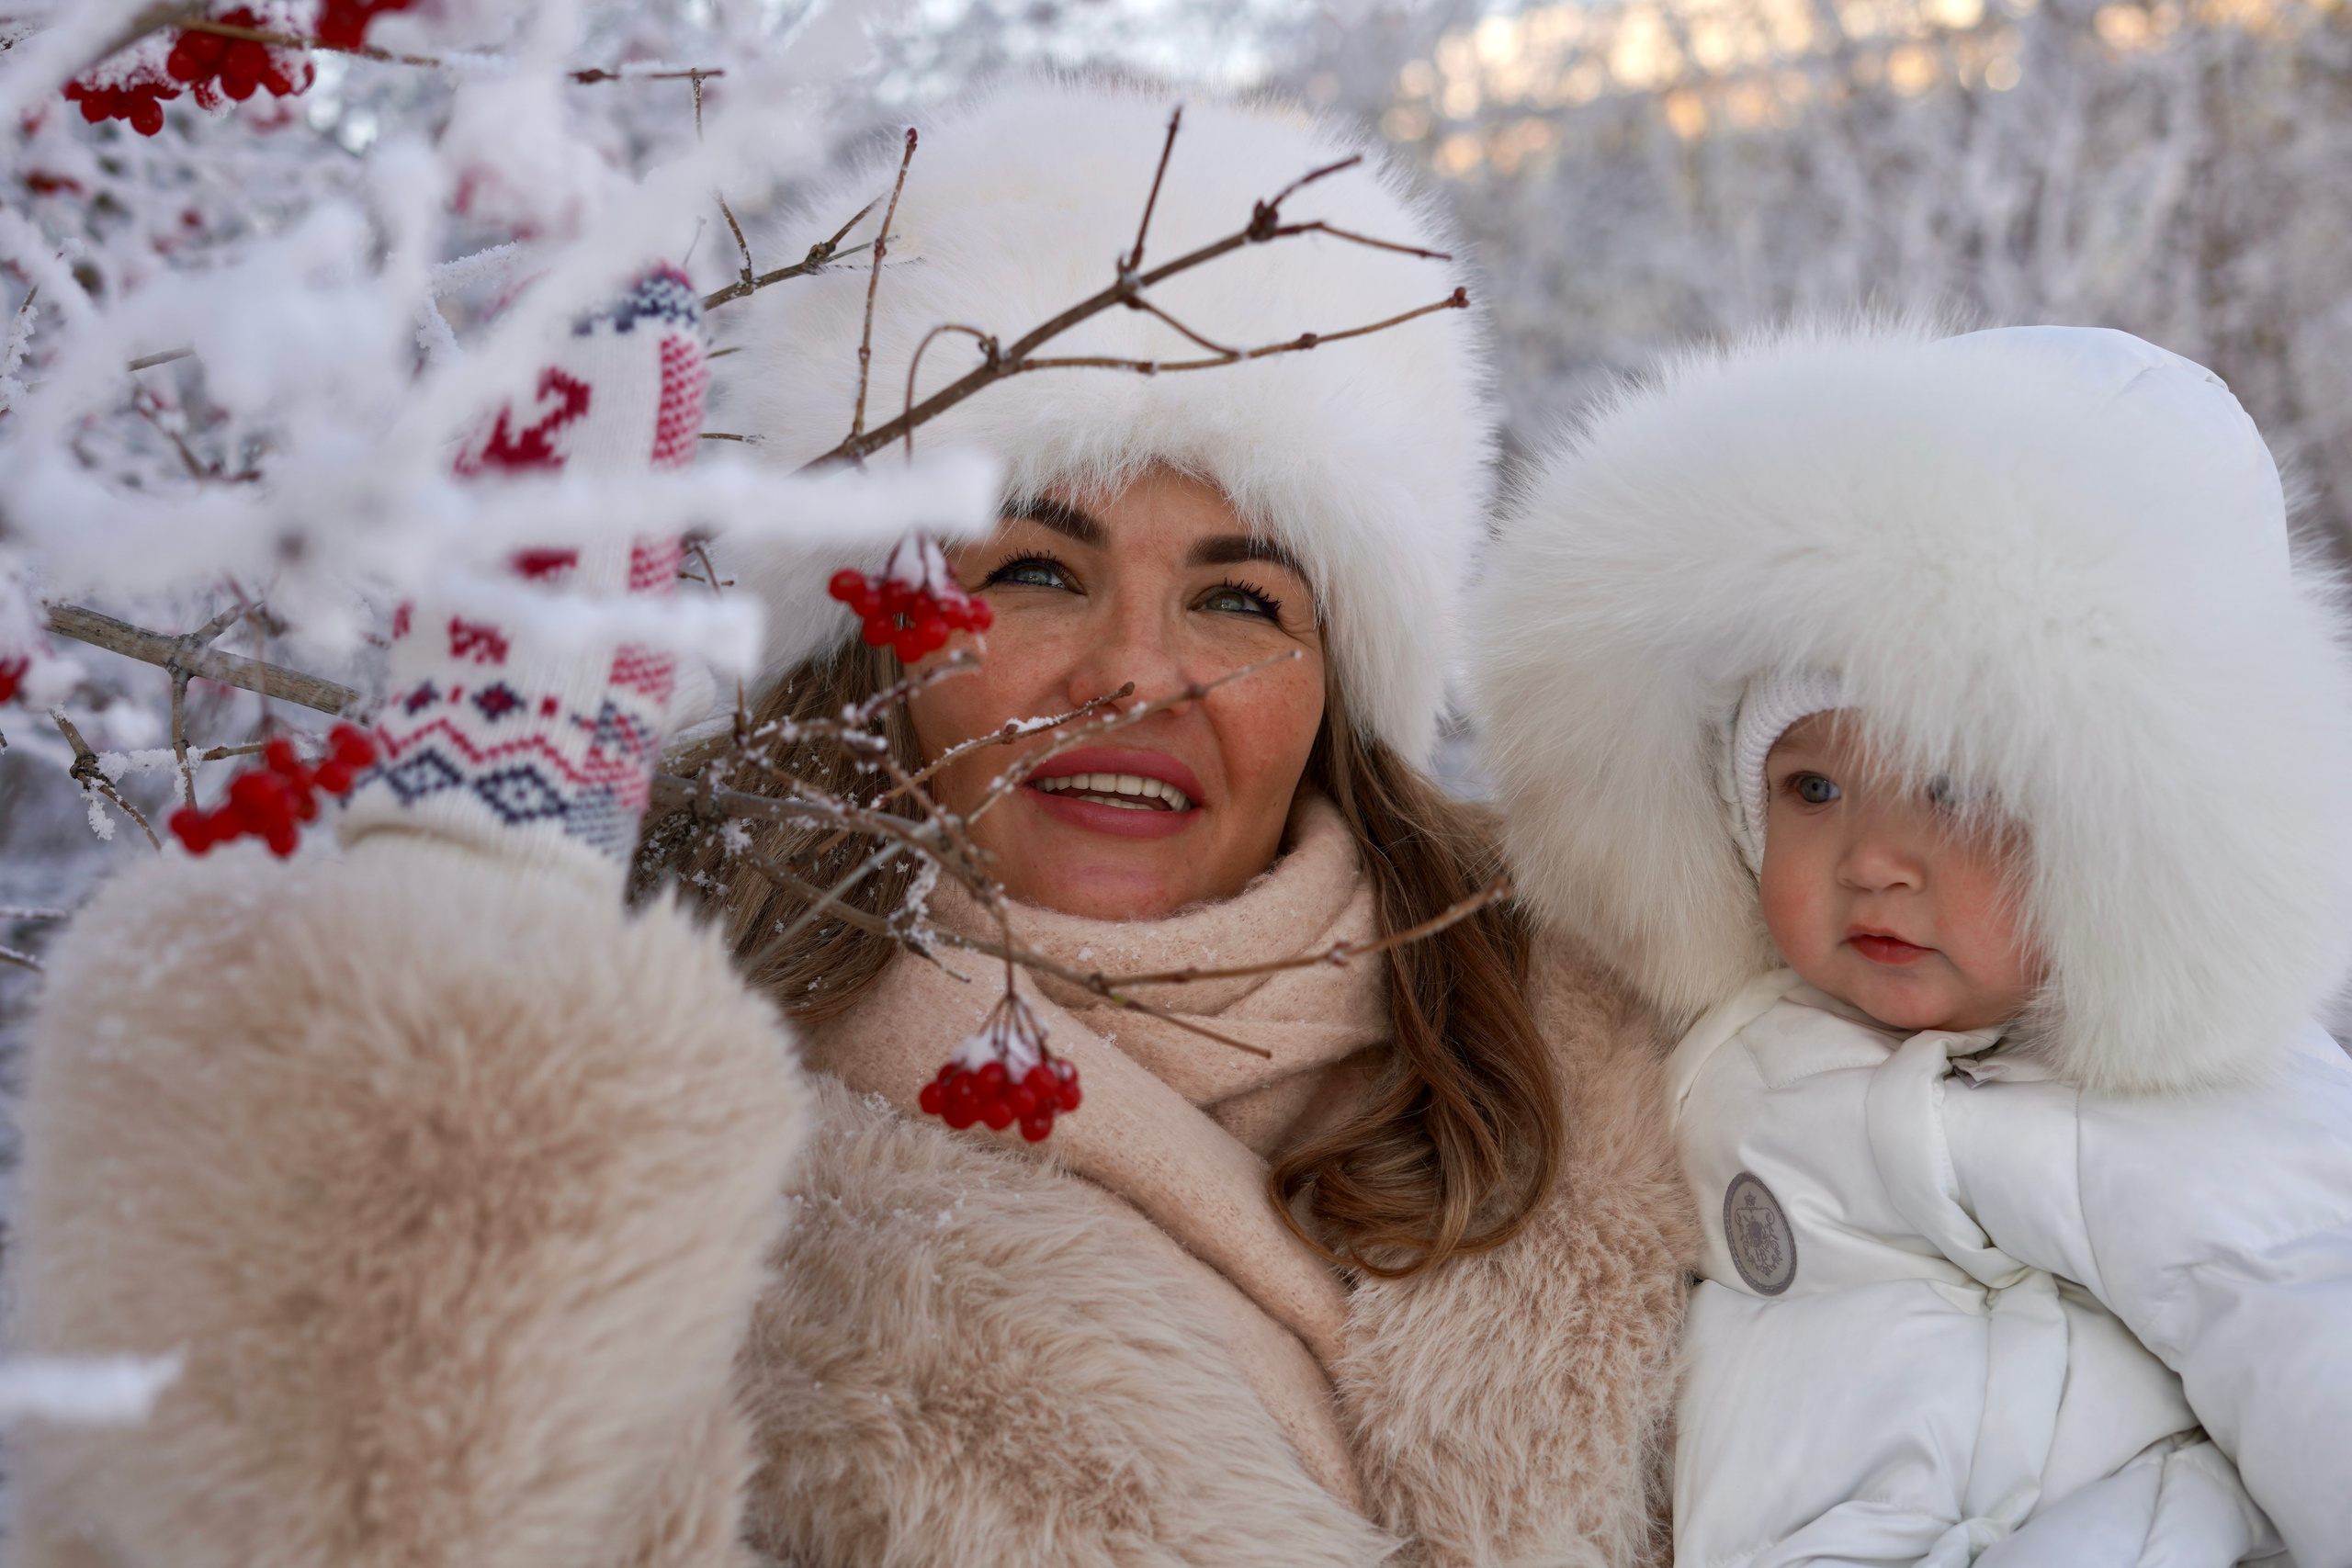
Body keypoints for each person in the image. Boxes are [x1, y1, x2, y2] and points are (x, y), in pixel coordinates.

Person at [6, 84, 1693, 1567]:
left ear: (1340, 684)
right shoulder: (676, 1175)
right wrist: (472, 940)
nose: (1134, 671)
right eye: (1033, 569)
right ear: (862, 648)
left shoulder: (1644, 1075)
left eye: (1242, 598)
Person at [1468, 321, 2352, 1566]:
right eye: (1813, 793)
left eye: (1952, 791)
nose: (1874, 860)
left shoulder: (2183, 1105)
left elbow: (2307, 1323)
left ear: (2111, 850)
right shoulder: (1726, 1046)